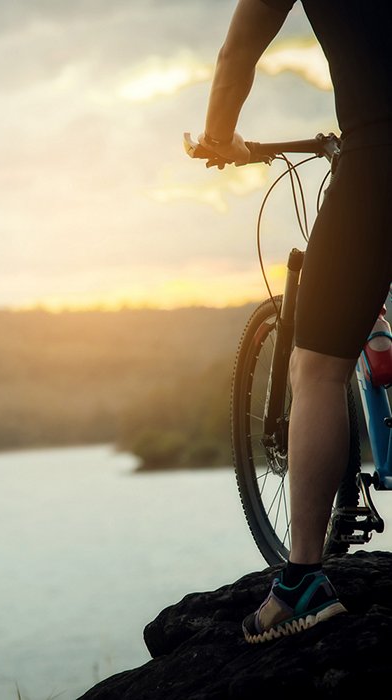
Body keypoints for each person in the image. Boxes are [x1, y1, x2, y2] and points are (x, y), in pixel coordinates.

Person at [198, 0, 392, 643]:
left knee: (318, 367)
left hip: (379, 156)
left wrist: (218, 136)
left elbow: (236, 54)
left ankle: (302, 581)